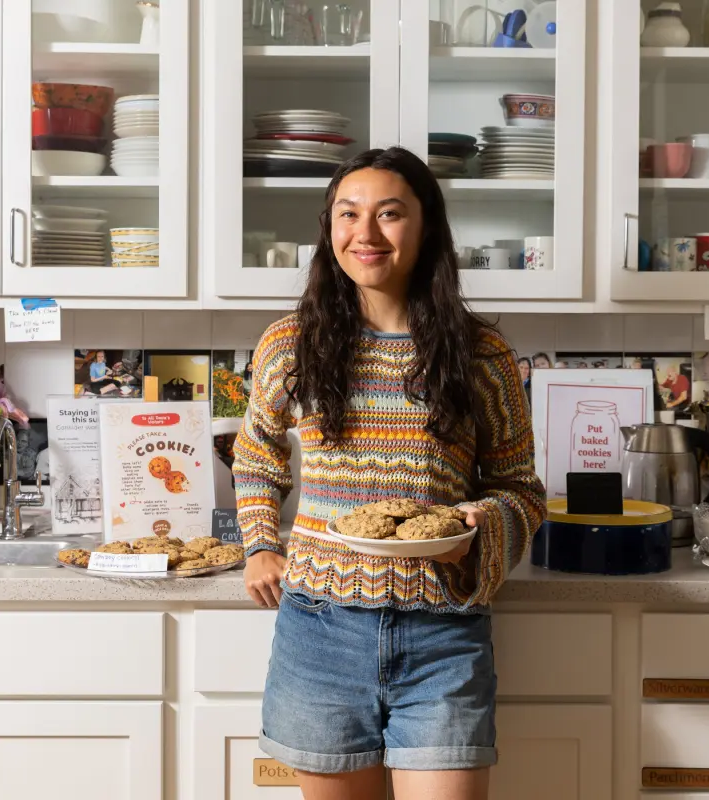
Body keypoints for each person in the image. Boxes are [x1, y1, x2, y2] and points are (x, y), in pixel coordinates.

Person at [233, 147, 546, 800]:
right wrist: (261, 545)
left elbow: (520, 488)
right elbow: (257, 457)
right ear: (329, 230)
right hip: (319, 631)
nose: (365, 234)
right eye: (348, 214)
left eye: (390, 214)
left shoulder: (482, 354)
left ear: (426, 226)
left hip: (443, 633)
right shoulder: (289, 344)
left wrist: (477, 530)